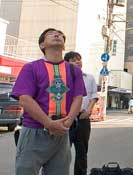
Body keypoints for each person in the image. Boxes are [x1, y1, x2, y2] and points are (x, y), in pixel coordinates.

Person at [11, 28, 86, 175]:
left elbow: (78, 97)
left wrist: (67, 123)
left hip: (62, 134)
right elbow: (25, 99)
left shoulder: (74, 71)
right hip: (33, 131)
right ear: (42, 45)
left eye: (60, 35)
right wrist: (49, 123)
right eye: (51, 34)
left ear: (64, 46)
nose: (57, 35)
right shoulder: (31, 68)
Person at [64, 51, 98, 175]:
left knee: (82, 152)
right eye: (74, 60)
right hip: (66, 119)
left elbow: (94, 96)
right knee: (62, 152)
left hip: (83, 118)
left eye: (79, 59)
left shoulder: (89, 78)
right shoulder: (62, 77)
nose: (78, 62)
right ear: (66, 63)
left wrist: (88, 111)